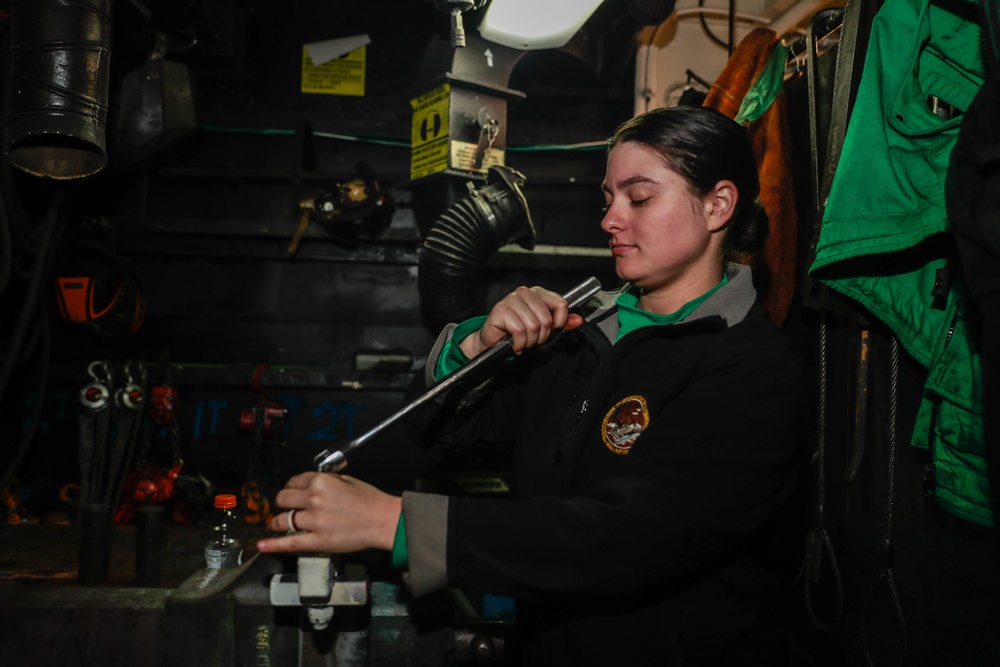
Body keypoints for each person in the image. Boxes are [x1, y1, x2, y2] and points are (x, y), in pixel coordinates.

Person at [257, 105, 805, 664]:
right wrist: (476, 348)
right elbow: (440, 437)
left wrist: (394, 523)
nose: (610, 219)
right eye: (608, 199)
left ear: (718, 205)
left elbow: (630, 536)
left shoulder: (754, 371)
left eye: (638, 198)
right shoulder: (581, 334)